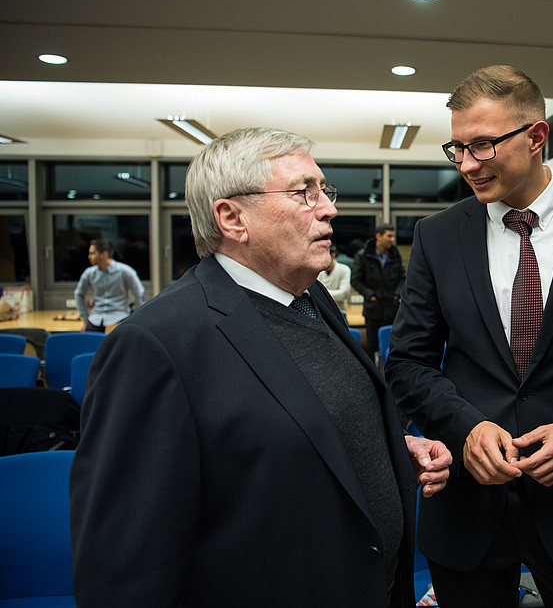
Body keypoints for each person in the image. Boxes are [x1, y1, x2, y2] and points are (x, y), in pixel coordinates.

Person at [70, 127, 452, 608]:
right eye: (302, 192)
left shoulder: (311, 297)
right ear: (233, 219)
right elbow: (122, 569)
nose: (328, 208)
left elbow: (293, 428)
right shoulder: (154, 345)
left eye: (324, 190)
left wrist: (388, 446)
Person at [386, 65, 553, 608]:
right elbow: (408, 363)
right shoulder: (438, 236)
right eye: (457, 149)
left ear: (536, 137)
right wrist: (467, 429)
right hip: (467, 507)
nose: (467, 164)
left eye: (482, 145)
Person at [352, 223, 405, 362]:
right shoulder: (363, 255)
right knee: (371, 346)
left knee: (393, 344)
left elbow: (403, 278)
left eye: (393, 236)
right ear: (378, 236)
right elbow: (356, 280)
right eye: (389, 236)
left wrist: (397, 295)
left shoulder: (395, 254)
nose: (392, 239)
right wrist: (370, 295)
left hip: (392, 307)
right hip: (372, 308)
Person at [73, 238, 145, 332]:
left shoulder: (125, 271)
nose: (89, 257)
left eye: (92, 253)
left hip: (120, 317)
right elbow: (78, 294)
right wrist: (85, 318)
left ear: (104, 254)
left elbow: (139, 293)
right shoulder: (89, 273)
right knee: (88, 338)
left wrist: (137, 318)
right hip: (96, 318)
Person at [318, 244, 352, 311]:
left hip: (340, 310)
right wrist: (336, 292)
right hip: (321, 310)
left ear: (333, 255)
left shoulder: (344, 269)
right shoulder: (317, 270)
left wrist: (323, 293)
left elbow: (343, 294)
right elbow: (315, 294)